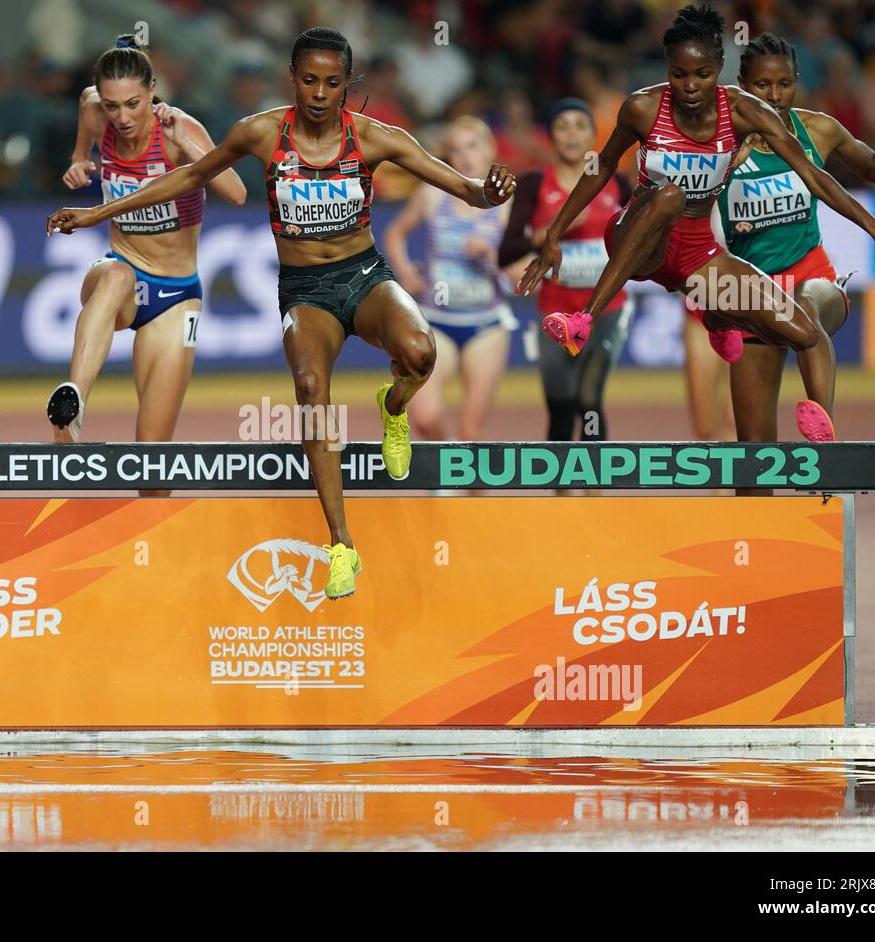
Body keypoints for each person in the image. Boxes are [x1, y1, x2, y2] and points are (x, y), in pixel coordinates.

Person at [47, 27, 513, 599]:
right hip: (305, 291)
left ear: (347, 84)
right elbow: (190, 176)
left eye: (333, 83)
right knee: (312, 389)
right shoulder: (261, 132)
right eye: (310, 80)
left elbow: (465, 188)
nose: (320, 93)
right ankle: (341, 544)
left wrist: (490, 191)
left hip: (364, 275)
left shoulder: (374, 138)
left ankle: (394, 407)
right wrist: (98, 215)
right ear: (292, 78)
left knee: (420, 352)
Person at [517, 3, 875, 444]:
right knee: (671, 195)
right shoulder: (642, 108)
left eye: (702, 74)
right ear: (668, 69)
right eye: (679, 74)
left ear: (719, 68)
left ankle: (725, 326)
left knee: (804, 333)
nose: (690, 86)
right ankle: (583, 321)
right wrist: (555, 233)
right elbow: (599, 169)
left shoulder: (749, 114)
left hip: (698, 252)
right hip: (642, 236)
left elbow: (815, 177)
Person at [45, 36, 247, 498]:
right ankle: (71, 406)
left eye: (134, 104)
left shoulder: (181, 129)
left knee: (153, 467)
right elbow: (85, 108)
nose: (122, 117)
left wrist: (188, 147)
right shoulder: (95, 109)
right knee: (115, 276)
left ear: (154, 90)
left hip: (177, 295)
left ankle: (147, 554)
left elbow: (237, 192)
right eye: (113, 105)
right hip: (121, 270)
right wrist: (80, 159)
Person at [723, 33, 875, 491]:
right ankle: (755, 554)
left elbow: (874, 167)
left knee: (805, 308)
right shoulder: (721, 147)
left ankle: (823, 449)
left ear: (797, 82)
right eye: (761, 86)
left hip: (813, 278)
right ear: (740, 85)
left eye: (784, 84)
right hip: (750, 294)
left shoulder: (818, 129)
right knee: (752, 467)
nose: (773, 96)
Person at [500, 98, 633, 445]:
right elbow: (508, 250)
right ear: (550, 136)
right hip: (554, 313)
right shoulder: (533, 184)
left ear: (593, 135)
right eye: (562, 126)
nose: (571, 135)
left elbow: (642, 238)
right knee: (561, 405)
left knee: (590, 400)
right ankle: (558, 493)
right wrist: (558, 226)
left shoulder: (617, 183)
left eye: (580, 126)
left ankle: (594, 489)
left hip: (606, 310)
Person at [383, 115, 515, 442]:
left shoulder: (508, 204)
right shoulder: (433, 195)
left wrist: (492, 256)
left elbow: (525, 270)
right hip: (436, 320)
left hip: (486, 324)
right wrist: (405, 271)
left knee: (471, 431)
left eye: (473, 146)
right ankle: (447, 472)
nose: (465, 156)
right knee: (425, 418)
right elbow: (395, 233)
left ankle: (466, 486)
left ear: (490, 149)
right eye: (456, 150)